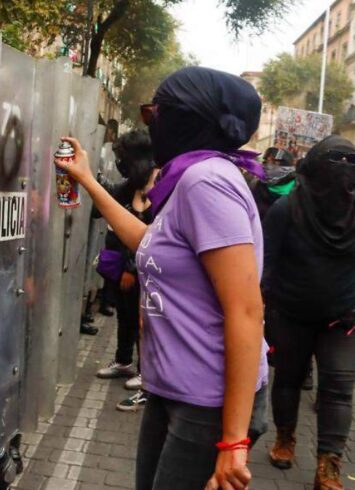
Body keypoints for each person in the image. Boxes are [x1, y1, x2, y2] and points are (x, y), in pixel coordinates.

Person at [55, 66, 269, 490]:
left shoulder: (205, 181)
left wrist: (233, 441)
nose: (151, 124)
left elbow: (245, 310)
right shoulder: (191, 177)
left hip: (206, 401)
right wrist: (87, 180)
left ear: (190, 118)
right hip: (173, 389)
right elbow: (147, 240)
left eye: (156, 113)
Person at [262, 135, 355, 490]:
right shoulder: (287, 209)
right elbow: (266, 264)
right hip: (290, 312)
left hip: (343, 318)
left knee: (339, 388)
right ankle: (285, 438)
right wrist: (260, 311)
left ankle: (328, 467)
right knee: (288, 379)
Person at [91, 131, 155, 397]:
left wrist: (131, 268)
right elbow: (103, 208)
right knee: (126, 315)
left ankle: (146, 373)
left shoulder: (158, 186)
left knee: (145, 321)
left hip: (144, 268)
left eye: (122, 158)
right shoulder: (128, 187)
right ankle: (124, 360)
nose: (119, 163)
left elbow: (147, 232)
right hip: (121, 264)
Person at [252, 147, 296, 220]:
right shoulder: (257, 184)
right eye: (266, 161)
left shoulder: (297, 190)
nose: (268, 166)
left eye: (274, 162)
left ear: (287, 167)